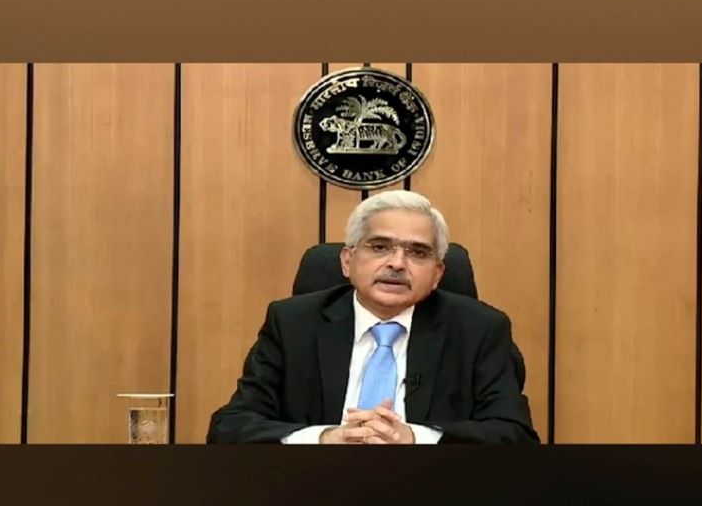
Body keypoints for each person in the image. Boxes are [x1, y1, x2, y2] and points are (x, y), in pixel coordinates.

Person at [206, 190, 539, 444]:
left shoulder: (479, 329)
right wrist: (324, 439)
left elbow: (514, 434)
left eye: (417, 252)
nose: (397, 263)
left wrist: (415, 438)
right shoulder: (293, 323)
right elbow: (230, 427)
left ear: (437, 274)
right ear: (347, 261)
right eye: (380, 247)